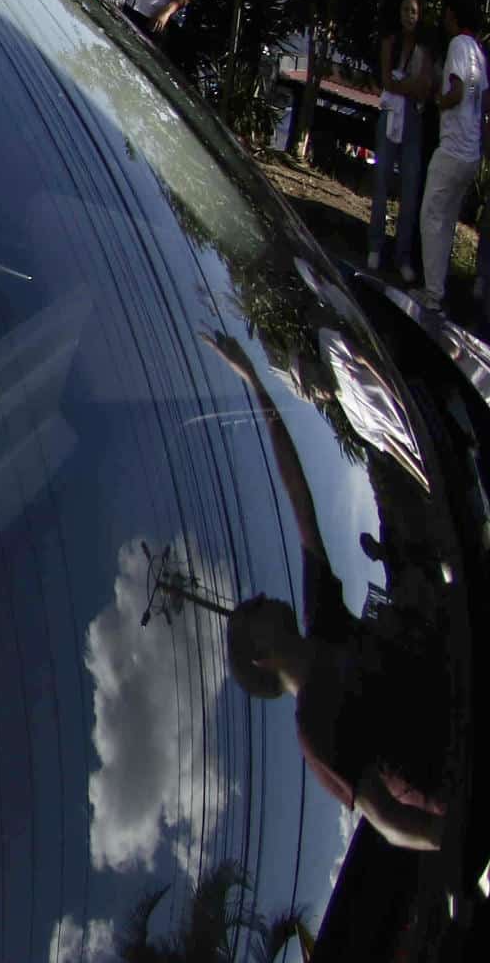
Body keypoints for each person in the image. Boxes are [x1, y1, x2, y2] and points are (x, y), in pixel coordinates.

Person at [208, 333, 452, 851]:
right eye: (254, 610)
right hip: (458, 775)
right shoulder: (315, 727)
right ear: (260, 656)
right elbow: (387, 820)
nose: (264, 598)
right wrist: (458, 838)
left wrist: (257, 384)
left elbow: (300, 499)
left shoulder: (324, 620)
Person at [415, 0, 486, 311]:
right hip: (470, 153)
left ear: (453, 15)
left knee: (431, 216)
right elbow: (481, 100)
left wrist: (439, 102)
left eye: (446, 12)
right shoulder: (478, 52)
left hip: (452, 147)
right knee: (445, 221)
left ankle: (431, 295)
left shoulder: (458, 45)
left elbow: (456, 91)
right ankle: (436, 291)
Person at [368, 0, 434, 281]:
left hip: (414, 120)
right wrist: (407, 85)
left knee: (409, 189)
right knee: (381, 179)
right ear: (399, 13)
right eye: (406, 9)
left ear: (419, 16)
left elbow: (424, 88)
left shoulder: (425, 49)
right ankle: (375, 246)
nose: (409, 15)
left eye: (414, 11)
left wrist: (403, 84)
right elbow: (386, 81)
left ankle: (402, 256)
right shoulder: (390, 42)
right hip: (390, 115)